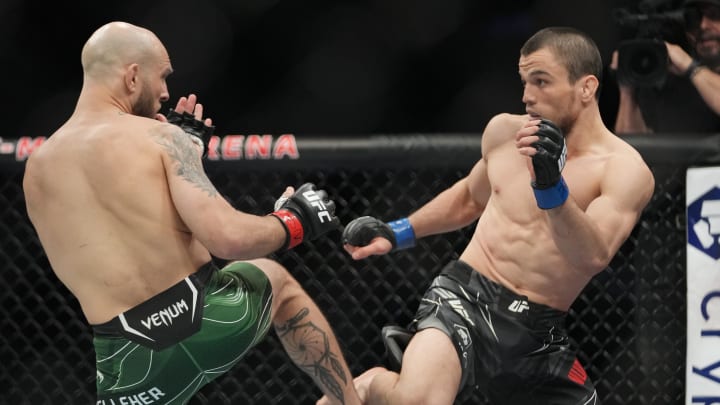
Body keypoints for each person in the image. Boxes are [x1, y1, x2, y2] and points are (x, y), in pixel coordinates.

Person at [22, 21, 361, 405]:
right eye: (162, 76)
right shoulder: (160, 138)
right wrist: (293, 221)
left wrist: (188, 153)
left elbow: (117, 232)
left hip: (127, 361)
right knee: (274, 278)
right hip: (208, 316)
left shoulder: (37, 170)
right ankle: (349, 401)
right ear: (132, 77)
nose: (166, 93)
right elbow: (229, 239)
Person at [320, 27, 655, 405]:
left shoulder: (624, 170)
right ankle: (373, 384)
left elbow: (593, 255)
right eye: (524, 81)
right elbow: (469, 197)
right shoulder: (505, 132)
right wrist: (398, 231)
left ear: (586, 87)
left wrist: (551, 189)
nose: (527, 96)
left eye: (541, 81)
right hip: (463, 297)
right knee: (418, 400)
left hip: (536, 332)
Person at [613, 0, 720, 134]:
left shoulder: (688, 68)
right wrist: (628, 87)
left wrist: (690, 67)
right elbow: (631, 142)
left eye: (715, 16)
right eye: (693, 19)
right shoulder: (669, 82)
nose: (702, 25)